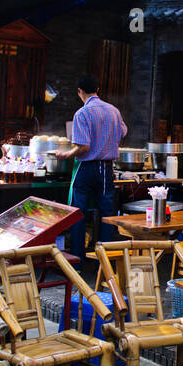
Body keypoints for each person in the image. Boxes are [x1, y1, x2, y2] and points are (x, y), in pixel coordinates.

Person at [52, 74, 127, 264]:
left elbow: (83, 147)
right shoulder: (114, 111)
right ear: (98, 90)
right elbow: (123, 132)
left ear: (80, 91)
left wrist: (65, 155)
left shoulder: (82, 114)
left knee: (78, 213)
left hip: (86, 168)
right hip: (106, 169)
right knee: (107, 213)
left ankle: (77, 261)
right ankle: (106, 260)